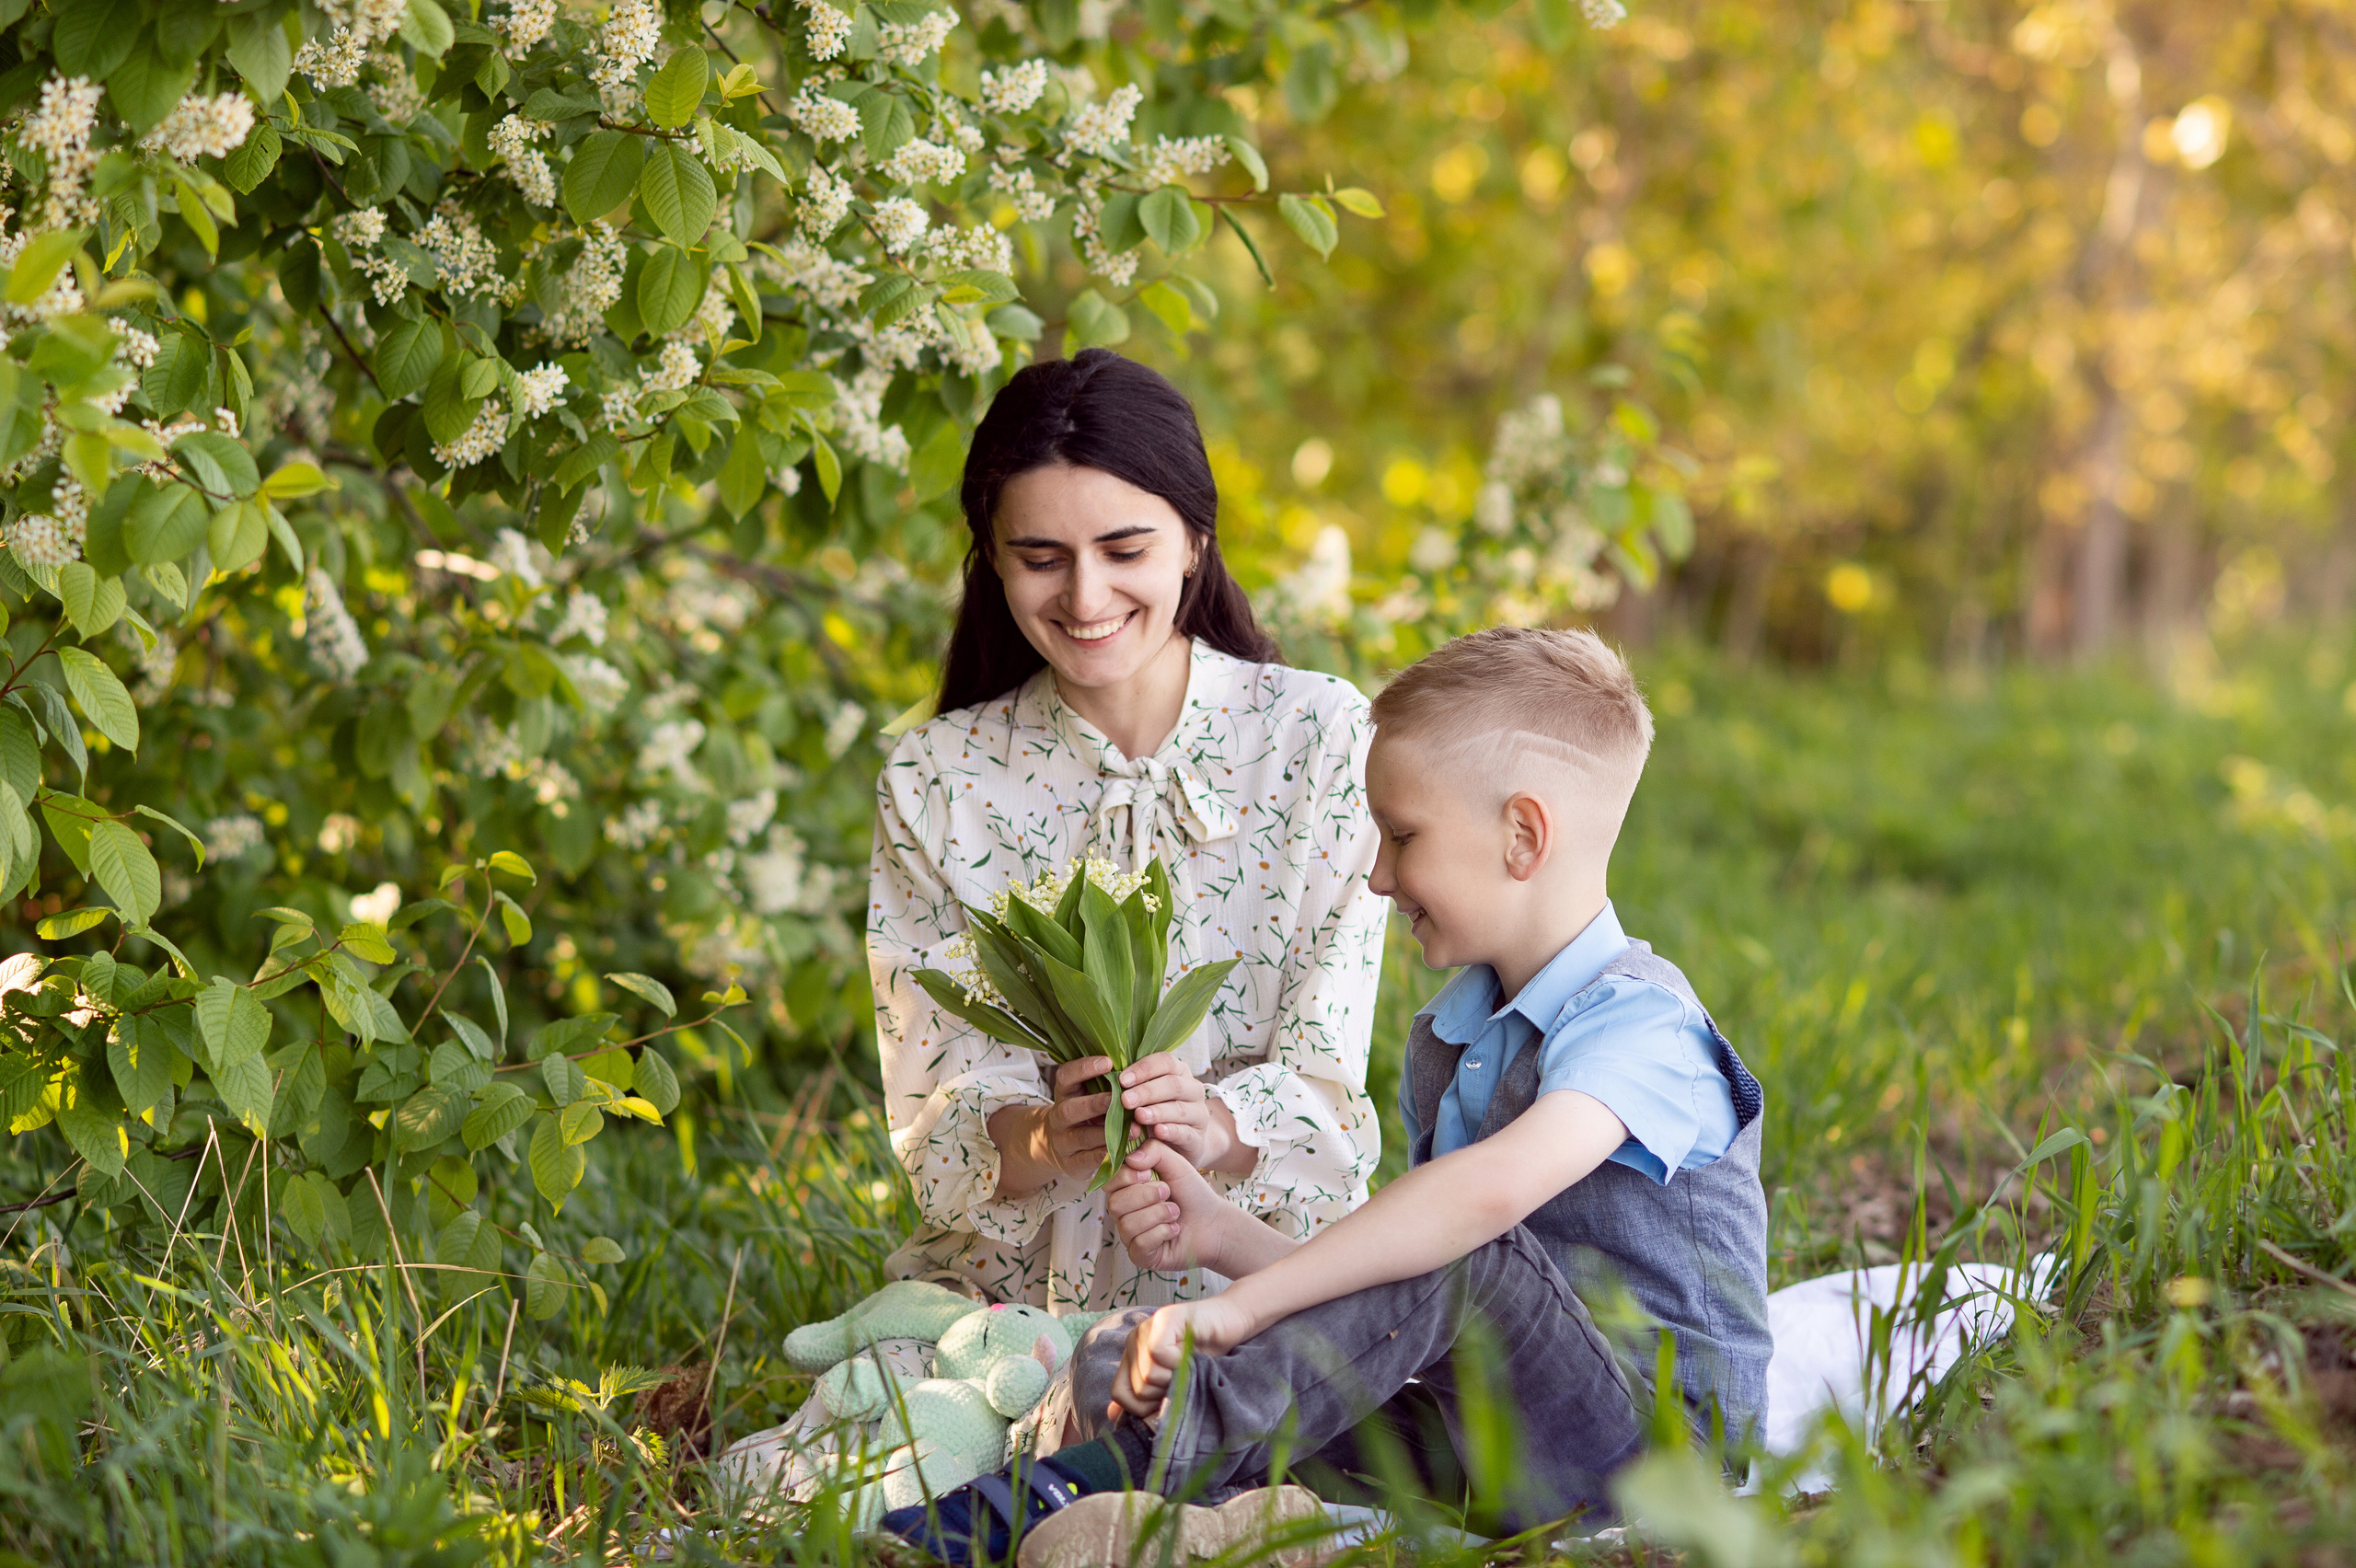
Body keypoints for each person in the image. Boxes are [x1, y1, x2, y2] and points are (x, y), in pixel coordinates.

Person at [881, 627, 1771, 1561]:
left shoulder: (1644, 1026)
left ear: (1523, 835)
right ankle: (1198, 1520)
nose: (1377, 875)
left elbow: (1476, 1219)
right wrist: (1219, 1237)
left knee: (1446, 1251)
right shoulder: (1455, 1036)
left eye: (1402, 836)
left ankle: (1041, 1501)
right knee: (1133, 1355)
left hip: (1659, 1467)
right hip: (1490, 1443)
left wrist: (1238, 1308)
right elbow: (1405, 1294)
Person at [867, 349, 1386, 1316]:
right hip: (1007, 1300)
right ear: (992, 556)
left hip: (1268, 1283)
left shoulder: (1319, 737)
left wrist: (1213, 1123)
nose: (1085, 597)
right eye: (1041, 559)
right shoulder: (936, 776)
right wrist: (1041, 1137)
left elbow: (1330, 1082)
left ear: (1194, 540)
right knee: (857, 1418)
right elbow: (932, 1110)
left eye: (1124, 551)